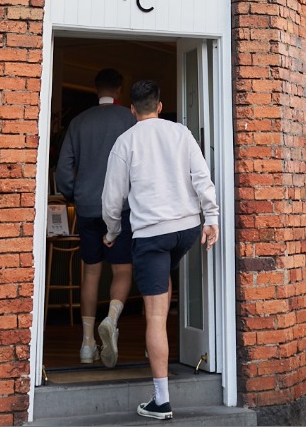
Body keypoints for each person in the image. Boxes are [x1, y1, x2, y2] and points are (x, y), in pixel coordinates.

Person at [102, 80, 219, 421]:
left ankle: (161, 401)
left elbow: (112, 199)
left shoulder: (125, 142)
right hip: (186, 229)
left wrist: (112, 232)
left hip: (152, 235)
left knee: (155, 317)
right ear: (161, 105)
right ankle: (160, 353)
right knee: (162, 283)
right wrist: (210, 217)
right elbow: (202, 177)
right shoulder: (180, 132)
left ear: (132, 110)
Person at [55, 68, 136, 368]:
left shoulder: (78, 122)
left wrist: (71, 194)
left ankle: (87, 344)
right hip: (122, 207)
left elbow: (64, 168)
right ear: (119, 89)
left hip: (88, 207)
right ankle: (111, 320)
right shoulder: (129, 121)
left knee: (90, 272)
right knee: (122, 270)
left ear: (94, 88)